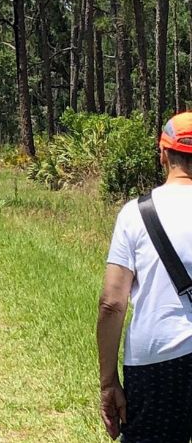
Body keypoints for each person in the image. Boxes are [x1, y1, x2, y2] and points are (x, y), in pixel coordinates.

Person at [97, 112, 192, 442]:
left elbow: (112, 303)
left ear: (163, 154)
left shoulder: (135, 214)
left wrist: (108, 383)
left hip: (157, 362)